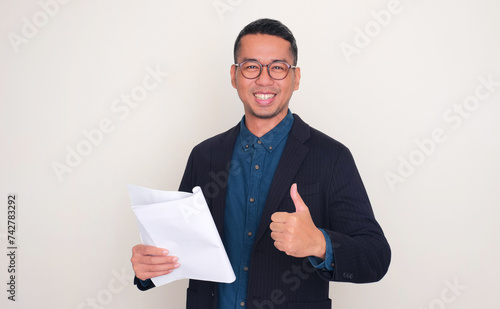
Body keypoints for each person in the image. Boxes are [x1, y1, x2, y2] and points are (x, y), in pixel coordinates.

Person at [130, 18, 391, 308]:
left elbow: (376, 257)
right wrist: (147, 271)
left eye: (278, 67)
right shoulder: (204, 156)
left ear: (296, 77)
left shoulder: (332, 157)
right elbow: (177, 246)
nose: (264, 80)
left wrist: (319, 243)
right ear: (234, 75)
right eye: (251, 66)